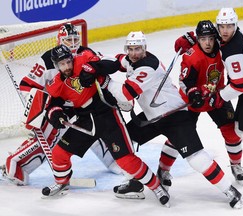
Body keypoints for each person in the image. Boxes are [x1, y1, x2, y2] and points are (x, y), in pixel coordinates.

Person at [98, 31, 243, 208]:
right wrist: (94, 60)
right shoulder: (131, 59)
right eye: (131, 49)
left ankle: (230, 191)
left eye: (138, 49)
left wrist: (104, 80)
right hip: (153, 117)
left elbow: (125, 93)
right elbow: (118, 60)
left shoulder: (148, 66)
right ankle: (135, 182)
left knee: (196, 158)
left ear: (145, 49)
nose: (134, 53)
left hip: (175, 116)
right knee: (124, 144)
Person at [41, 44, 170, 207]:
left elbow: (113, 63)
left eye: (68, 61)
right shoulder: (57, 83)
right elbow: (52, 105)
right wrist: (56, 114)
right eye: (62, 64)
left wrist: (93, 68)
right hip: (84, 122)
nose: (66, 66)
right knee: (59, 154)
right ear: (56, 66)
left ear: (72, 58)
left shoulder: (84, 58)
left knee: (125, 160)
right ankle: (61, 182)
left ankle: (156, 187)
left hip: (107, 116)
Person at [174, 9, 243, 191]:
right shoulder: (235, 36)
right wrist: (190, 37)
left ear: (235, 25)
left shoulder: (232, 51)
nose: (225, 31)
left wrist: (218, 96)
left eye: (229, 26)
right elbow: (208, 37)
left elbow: (240, 85)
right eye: (222, 27)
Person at [1, 23, 121, 186]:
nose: (72, 44)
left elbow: (109, 62)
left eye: (74, 39)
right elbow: (27, 85)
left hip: (85, 104)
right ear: (59, 41)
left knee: (96, 128)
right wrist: (38, 107)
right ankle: (15, 166)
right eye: (67, 40)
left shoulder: (86, 53)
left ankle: (117, 159)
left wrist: (95, 68)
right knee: (49, 137)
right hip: (59, 106)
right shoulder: (47, 60)